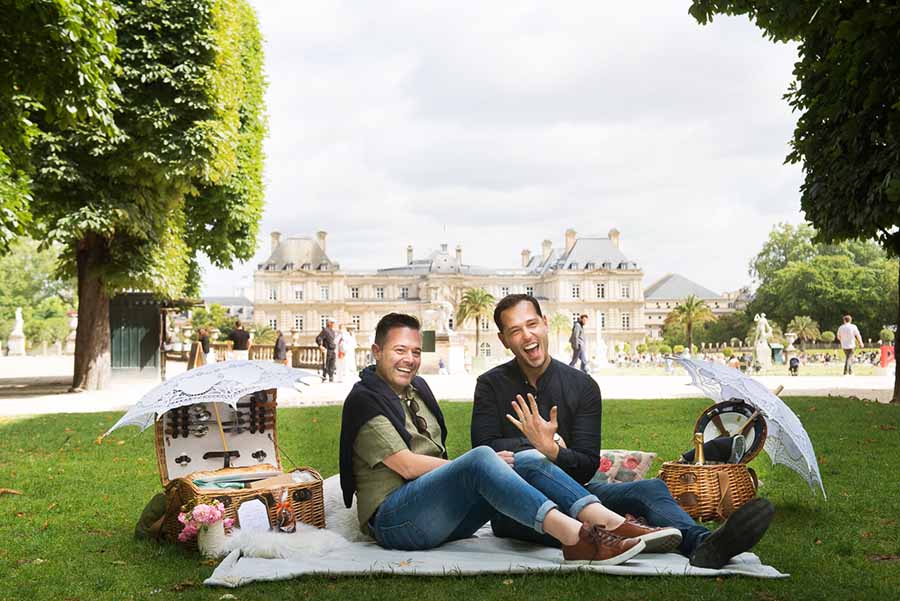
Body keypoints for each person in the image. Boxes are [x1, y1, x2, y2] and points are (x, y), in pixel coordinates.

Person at [339, 313, 682, 565]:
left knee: (529, 458)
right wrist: (475, 465)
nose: (410, 360)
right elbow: (406, 464)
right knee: (482, 456)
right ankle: (577, 539)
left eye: (415, 351)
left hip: (434, 516)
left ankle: (612, 523)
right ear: (376, 351)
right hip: (395, 521)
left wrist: (499, 464)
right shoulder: (364, 399)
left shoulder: (417, 389)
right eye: (400, 350)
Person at [471, 294, 775, 569]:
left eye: (532, 324)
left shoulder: (582, 386)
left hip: (581, 494)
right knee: (549, 503)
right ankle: (628, 531)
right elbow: (485, 452)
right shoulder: (490, 385)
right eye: (515, 331)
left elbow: (587, 463)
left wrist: (553, 451)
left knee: (650, 489)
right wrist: (536, 445)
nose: (527, 336)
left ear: (546, 324)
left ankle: (704, 543)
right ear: (503, 340)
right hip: (518, 504)